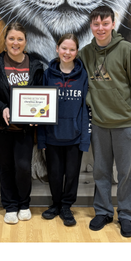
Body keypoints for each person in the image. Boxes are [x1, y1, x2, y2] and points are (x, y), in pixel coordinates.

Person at [80, 6, 131, 237]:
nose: (101, 28)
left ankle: (127, 215)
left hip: (125, 123)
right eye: (96, 24)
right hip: (99, 123)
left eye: (105, 23)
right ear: (91, 25)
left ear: (113, 23)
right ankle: (103, 211)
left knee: (126, 174)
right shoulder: (86, 53)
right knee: (101, 171)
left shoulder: (126, 49)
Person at [0, 22, 44, 224]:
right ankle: (10, 206)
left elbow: (40, 96)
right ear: (5, 40)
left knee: (23, 166)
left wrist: (37, 116)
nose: (15, 43)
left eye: (19, 39)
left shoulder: (35, 65)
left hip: (24, 129)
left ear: (25, 41)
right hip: (0, 127)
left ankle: (24, 204)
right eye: (11, 38)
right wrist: (2, 107)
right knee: (6, 166)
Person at [37, 33, 89, 227]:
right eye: (64, 48)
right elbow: (41, 108)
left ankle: (67, 206)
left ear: (76, 51)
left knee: (72, 174)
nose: (67, 52)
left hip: (74, 137)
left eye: (72, 49)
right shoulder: (47, 74)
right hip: (52, 137)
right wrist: (42, 138)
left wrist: (84, 137)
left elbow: (85, 108)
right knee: (55, 174)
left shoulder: (83, 75)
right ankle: (56, 204)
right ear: (57, 49)